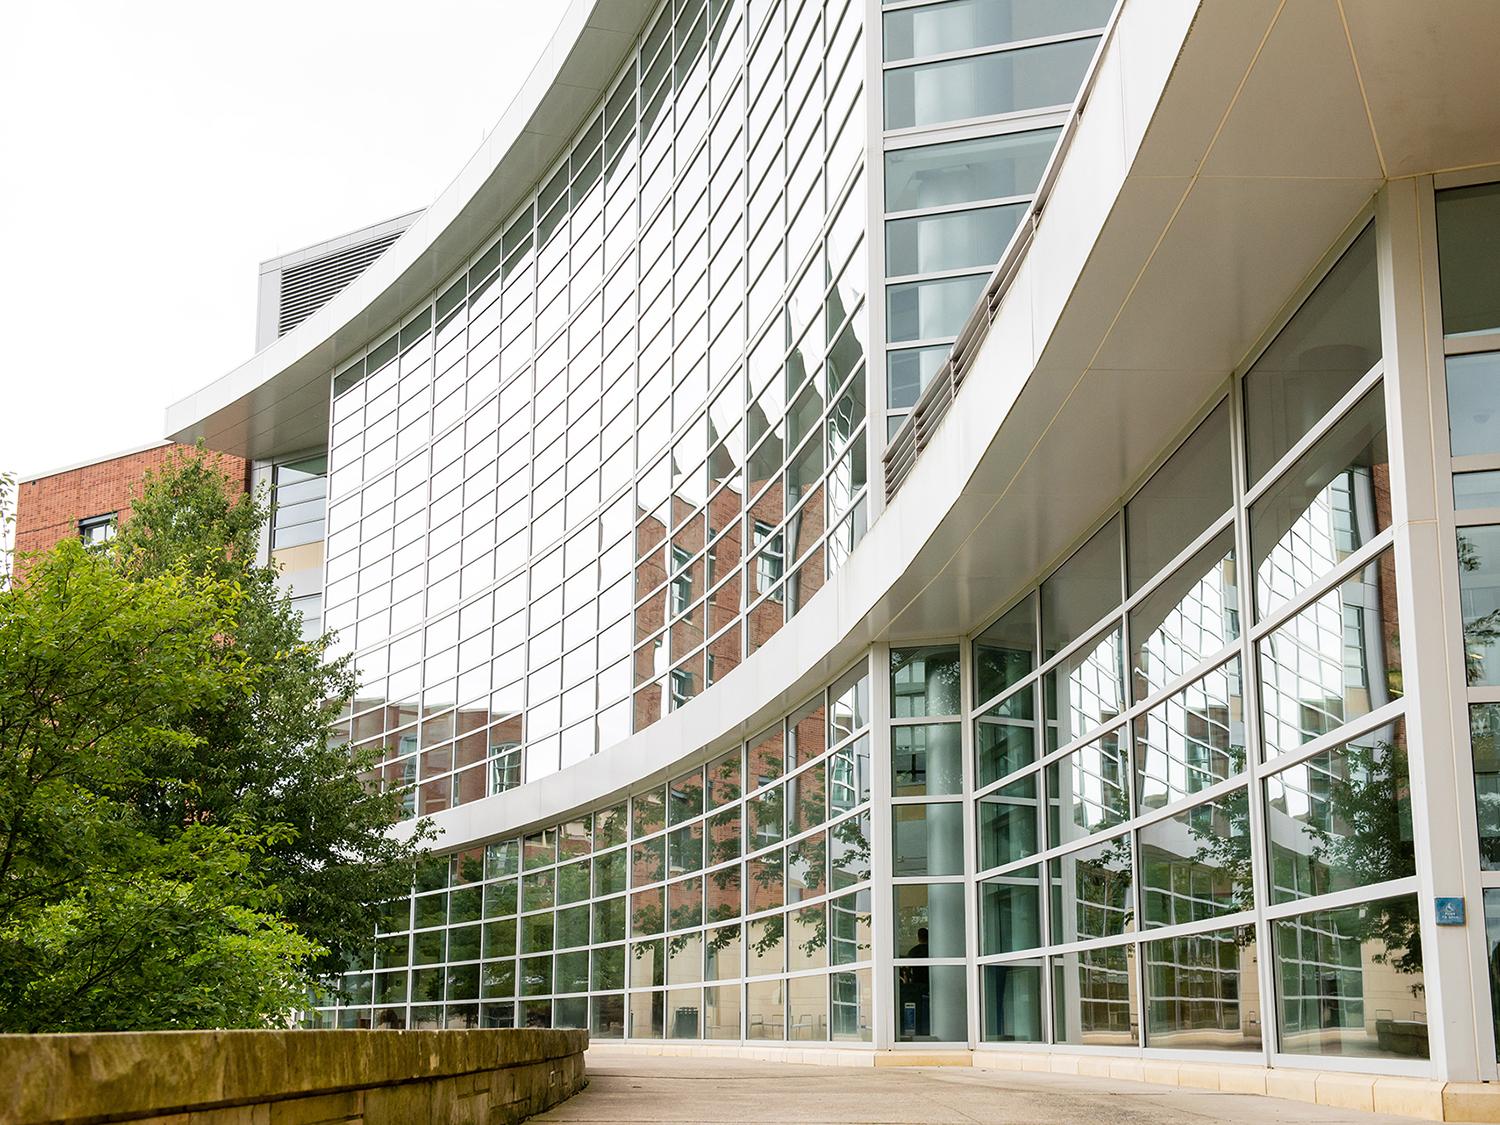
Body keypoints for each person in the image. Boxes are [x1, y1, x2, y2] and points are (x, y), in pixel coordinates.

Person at [898, 927, 931, 1037]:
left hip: (917, 986)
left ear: (918, 937)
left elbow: (908, 970)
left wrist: (907, 981)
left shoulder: (913, 951)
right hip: (931, 984)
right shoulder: (933, 950)